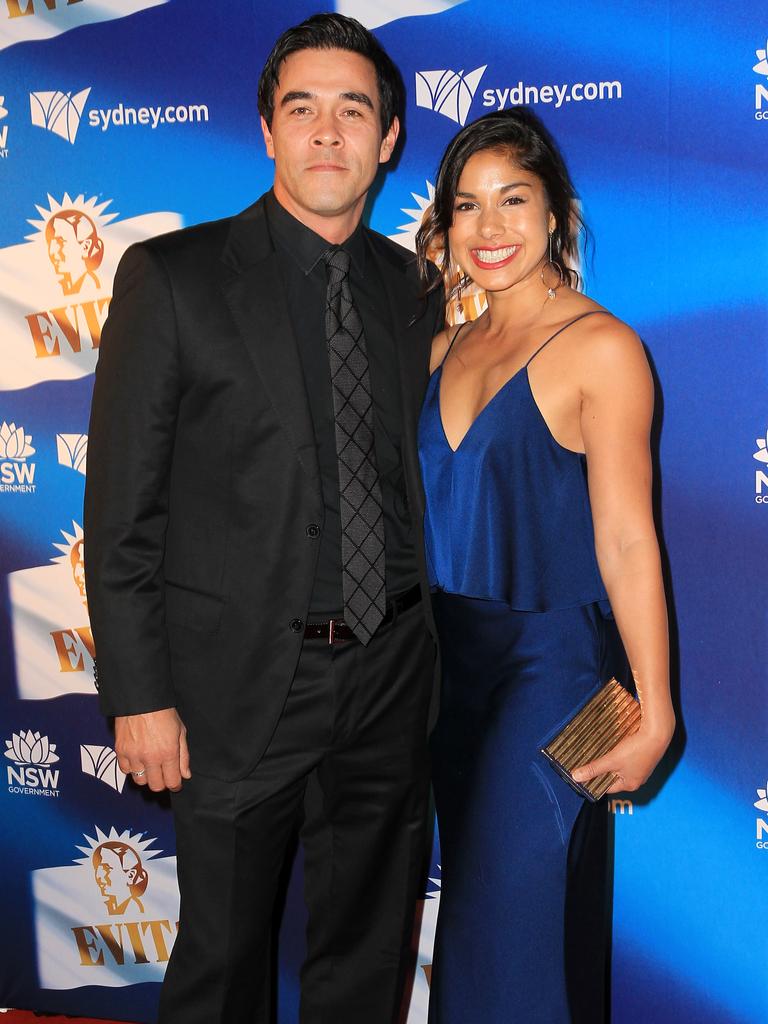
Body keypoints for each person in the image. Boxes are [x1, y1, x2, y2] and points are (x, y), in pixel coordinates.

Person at [84, 13, 444, 1024]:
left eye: (352, 110)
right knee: (222, 966)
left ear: (388, 138)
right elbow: (120, 512)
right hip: (237, 687)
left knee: (367, 960)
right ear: (267, 128)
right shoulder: (174, 277)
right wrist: (138, 694)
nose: (326, 133)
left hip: (392, 676)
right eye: (302, 109)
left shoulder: (416, 288)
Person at [415, 107, 675, 1023]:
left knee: (514, 933)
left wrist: (653, 704)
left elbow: (628, 540)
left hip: (558, 675)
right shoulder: (442, 347)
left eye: (513, 201)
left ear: (558, 213)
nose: (490, 230)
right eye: (468, 207)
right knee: (478, 937)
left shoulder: (604, 349)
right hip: (451, 676)